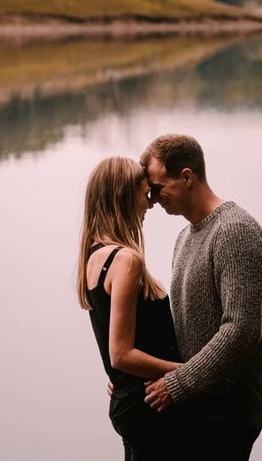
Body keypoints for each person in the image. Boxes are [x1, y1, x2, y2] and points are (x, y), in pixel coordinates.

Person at [140, 134, 262, 461]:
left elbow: (242, 329)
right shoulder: (184, 237)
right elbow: (183, 327)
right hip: (199, 407)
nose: (153, 200)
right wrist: (134, 375)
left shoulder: (234, 231)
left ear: (187, 177)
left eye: (158, 187)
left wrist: (179, 384)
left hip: (229, 414)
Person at [76, 156, 186, 460]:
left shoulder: (94, 258)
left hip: (131, 402)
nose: (150, 203)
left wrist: (123, 381)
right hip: (151, 406)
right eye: (144, 193)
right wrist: (189, 373)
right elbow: (121, 354)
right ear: (123, 196)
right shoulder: (126, 260)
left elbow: (118, 348)